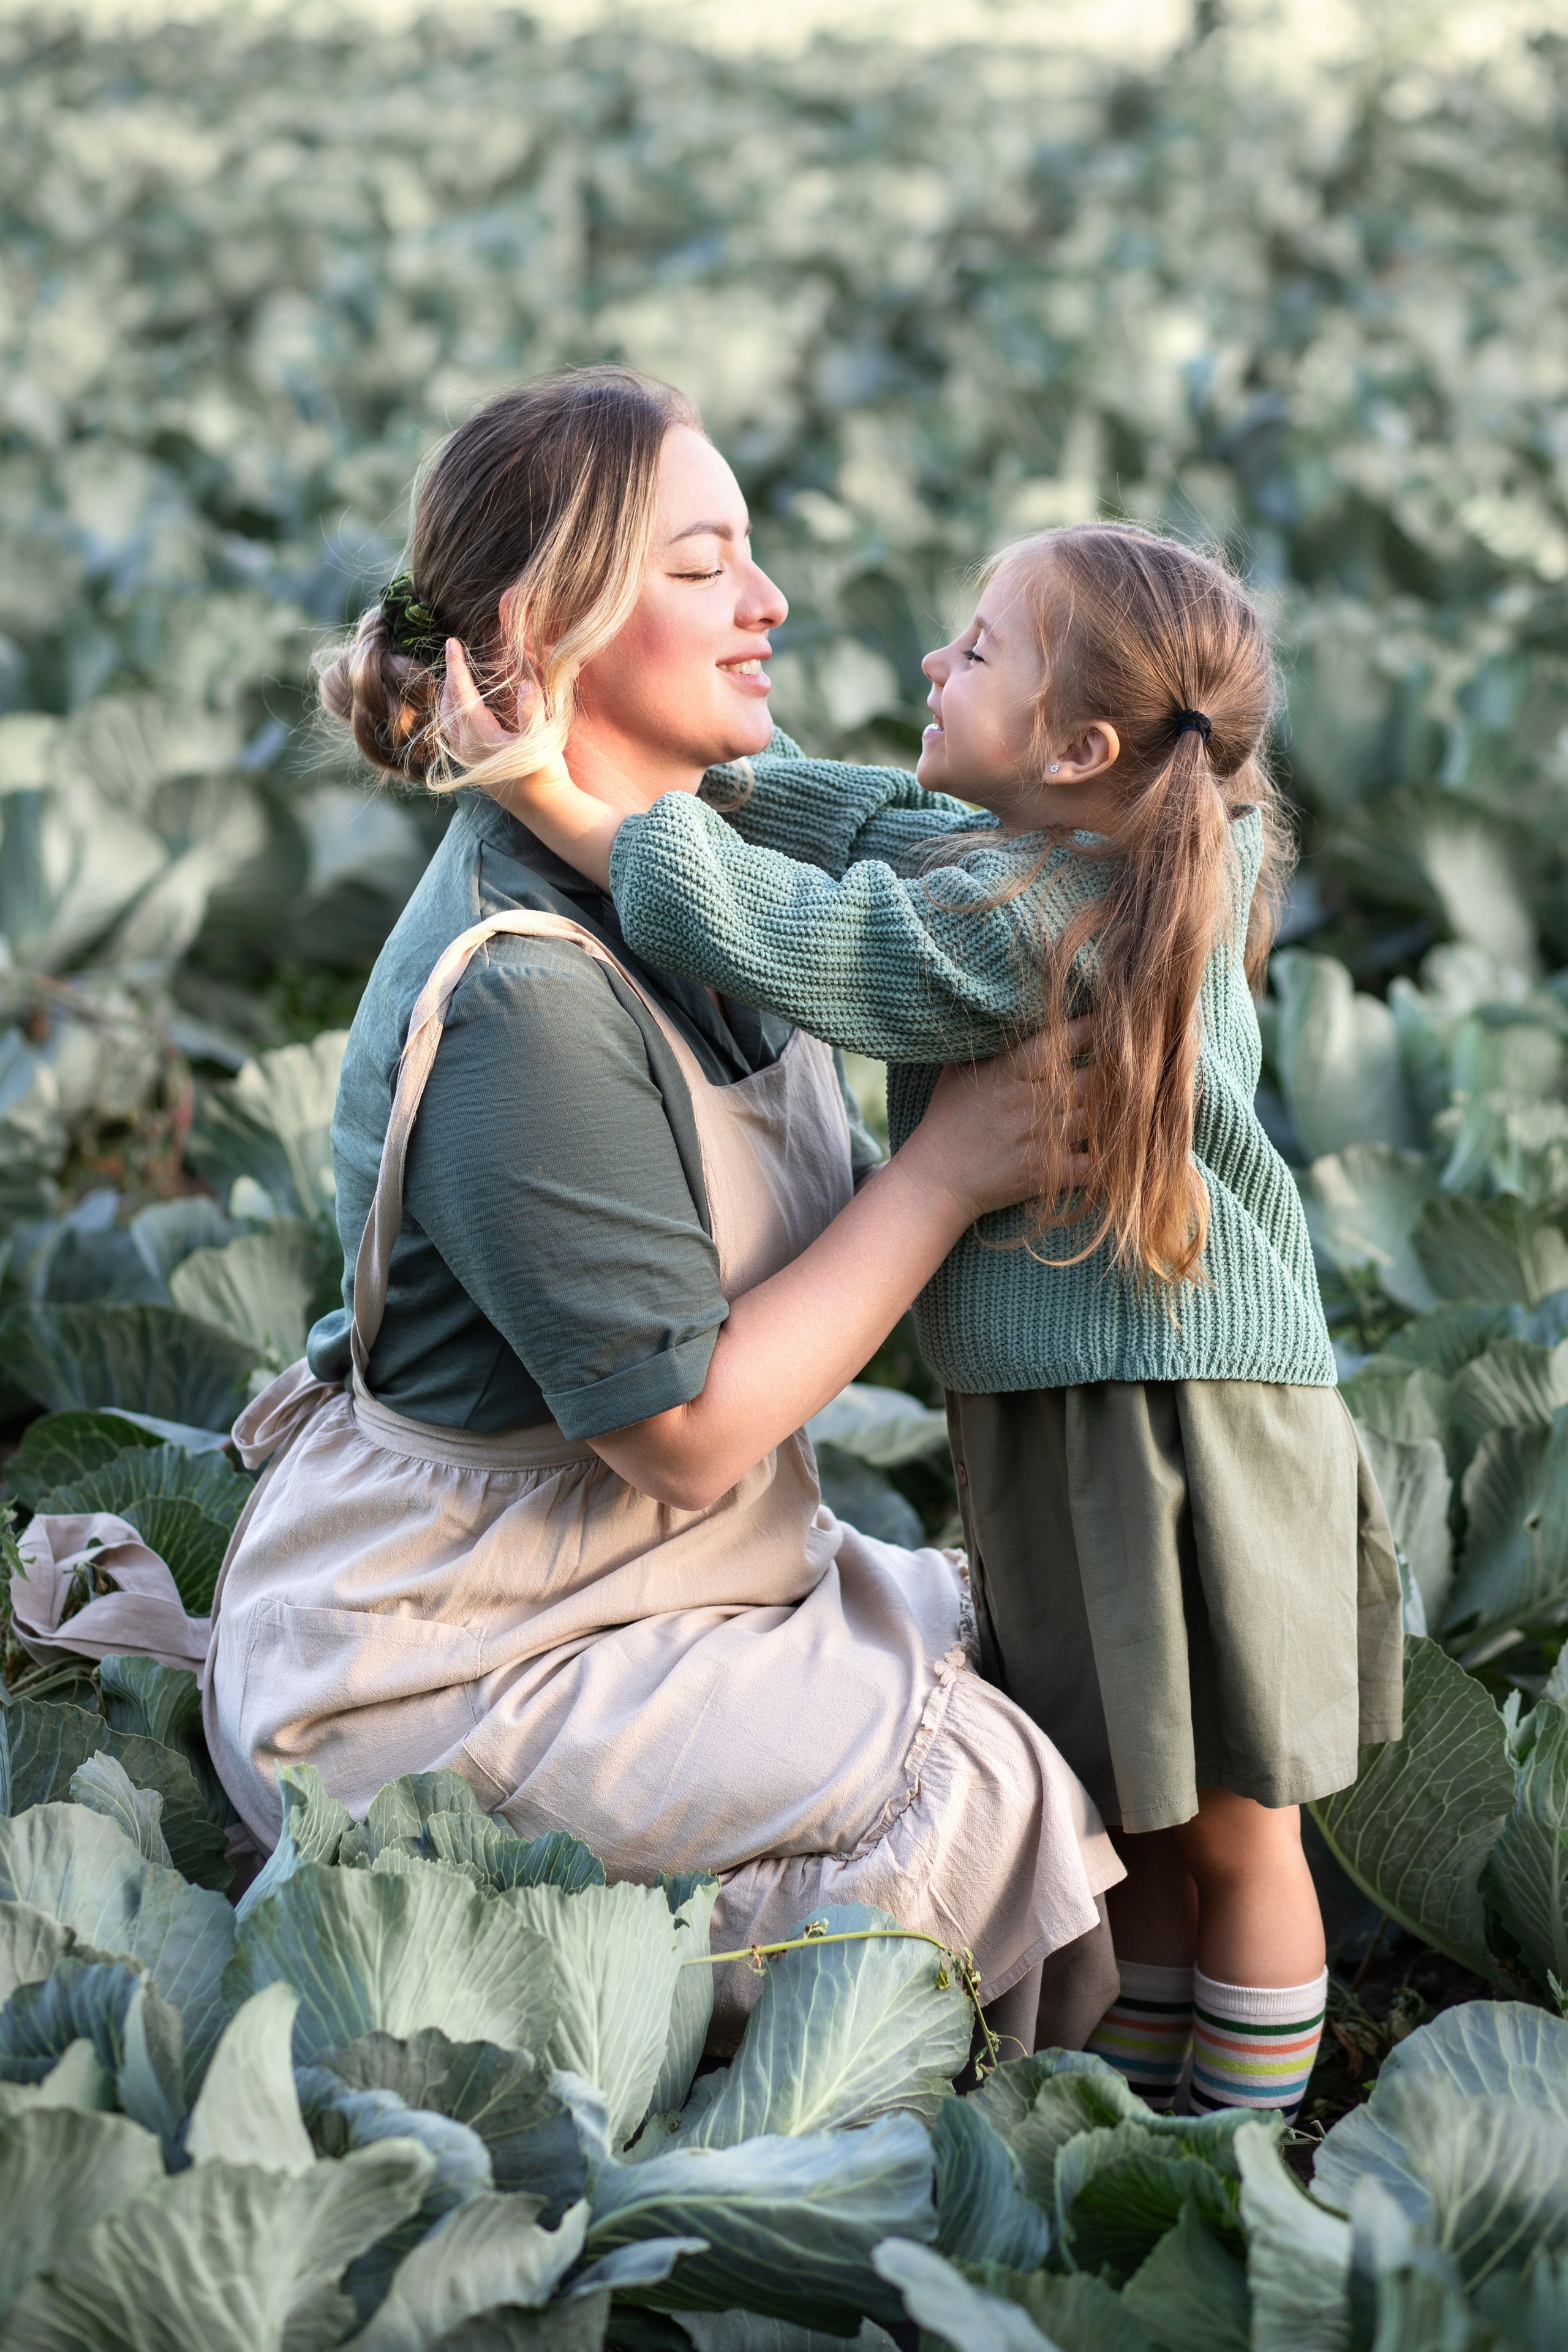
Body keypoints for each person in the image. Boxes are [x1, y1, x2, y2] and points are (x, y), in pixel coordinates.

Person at [202, 366, 1125, 2060]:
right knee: (992, 1787)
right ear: (543, 628)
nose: (769, 602)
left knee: (1083, 1647)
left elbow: (997, 866)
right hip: (463, 1645)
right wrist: (946, 1173)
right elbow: (686, 1438)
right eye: (703, 567)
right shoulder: (526, 1001)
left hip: (663, 1572)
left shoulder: (704, 861)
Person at [473, 515, 1406, 2120]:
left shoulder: (1047, 924)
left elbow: (823, 945)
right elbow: (878, 825)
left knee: (1236, 1830)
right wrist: (710, 770)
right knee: (1141, 1802)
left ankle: (1244, 2152)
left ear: (1080, 751)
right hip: (1092, 1406)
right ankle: (1134, 2123)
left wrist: (550, 794)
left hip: (1173, 1430)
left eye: (976, 651)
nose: (933, 659)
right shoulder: (1101, 848)